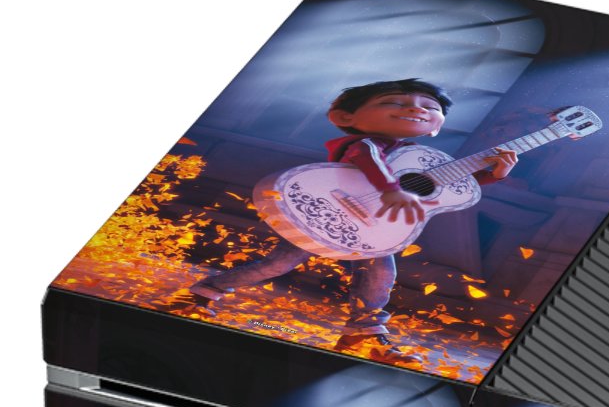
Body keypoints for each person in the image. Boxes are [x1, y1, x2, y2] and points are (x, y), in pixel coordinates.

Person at [172, 78, 517, 365]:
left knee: (381, 275)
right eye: (394, 102)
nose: (416, 109)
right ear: (345, 116)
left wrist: (496, 173)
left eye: (429, 107)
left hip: (376, 228)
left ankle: (363, 335)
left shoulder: (413, 155)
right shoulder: (364, 143)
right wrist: (391, 189)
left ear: (437, 125)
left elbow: (447, 185)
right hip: (327, 213)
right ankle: (202, 294)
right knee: (278, 264)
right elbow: (367, 159)